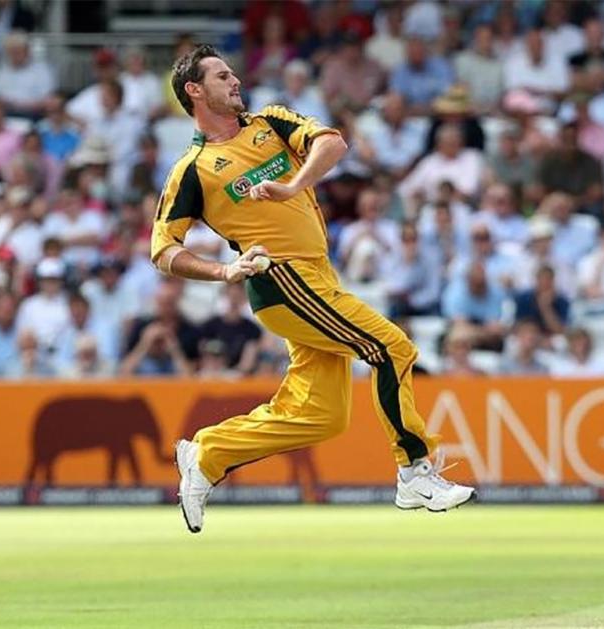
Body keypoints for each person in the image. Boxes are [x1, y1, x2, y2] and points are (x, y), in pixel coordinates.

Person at [155, 45, 475, 533]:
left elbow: (333, 143)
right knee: (390, 347)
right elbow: (163, 250)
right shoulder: (193, 169)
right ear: (194, 91)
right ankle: (414, 471)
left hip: (318, 275)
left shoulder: (270, 122)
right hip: (282, 278)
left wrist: (292, 185)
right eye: (221, 76)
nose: (235, 80)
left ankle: (209, 455)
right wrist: (224, 271)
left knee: (323, 416)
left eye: (233, 72)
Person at [0, 30, 55, 118]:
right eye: (11, 52)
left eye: (18, 51)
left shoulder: (42, 70)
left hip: (31, 115)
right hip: (2, 114)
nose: (14, 55)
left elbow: (48, 100)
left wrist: (19, 105)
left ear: (27, 50)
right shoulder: (2, 70)